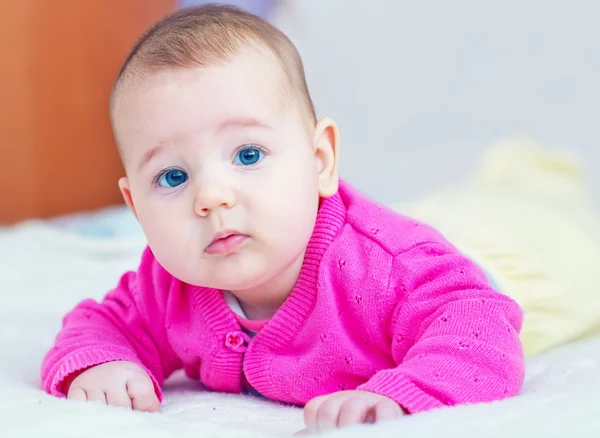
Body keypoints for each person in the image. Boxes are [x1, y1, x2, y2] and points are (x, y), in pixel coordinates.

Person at [40, 5, 524, 434]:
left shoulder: (385, 269)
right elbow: (101, 325)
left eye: (248, 154)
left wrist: (401, 394)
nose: (210, 197)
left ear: (320, 160)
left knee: (540, 222)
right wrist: (101, 364)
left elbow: (479, 325)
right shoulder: (167, 287)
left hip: (512, 271)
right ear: (135, 208)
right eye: (171, 177)